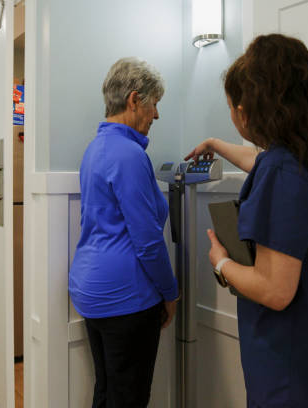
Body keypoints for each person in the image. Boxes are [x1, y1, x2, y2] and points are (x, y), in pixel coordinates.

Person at [185, 34, 308, 408]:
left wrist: (221, 263)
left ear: (246, 110)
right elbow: (261, 161)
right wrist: (216, 144)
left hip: (295, 374)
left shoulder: (284, 171)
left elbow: (274, 290)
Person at [69, 57, 179, 408]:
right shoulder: (129, 154)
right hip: (125, 298)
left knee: (107, 391)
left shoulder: (94, 149)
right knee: (128, 398)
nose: (156, 114)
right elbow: (148, 242)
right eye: (154, 103)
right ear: (134, 100)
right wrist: (170, 292)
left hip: (90, 291)